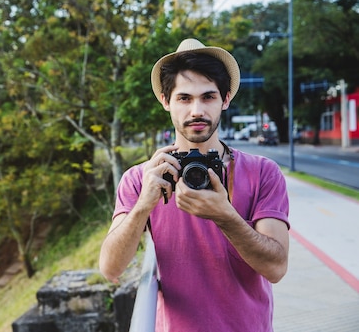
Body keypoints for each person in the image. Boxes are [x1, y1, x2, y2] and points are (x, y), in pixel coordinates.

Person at [99, 38, 290, 332]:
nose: (196, 111)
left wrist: (225, 216)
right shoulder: (141, 178)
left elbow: (276, 268)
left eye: (208, 97)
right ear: (166, 101)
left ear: (226, 99)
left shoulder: (263, 173)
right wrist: (144, 205)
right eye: (184, 98)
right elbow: (110, 269)